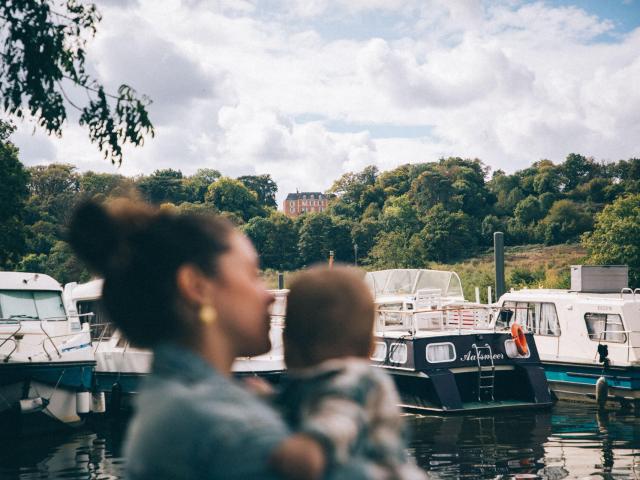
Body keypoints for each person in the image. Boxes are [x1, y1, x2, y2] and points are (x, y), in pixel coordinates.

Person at [68, 199, 327, 479]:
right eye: (252, 274)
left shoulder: (173, 402)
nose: (267, 296)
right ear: (196, 286)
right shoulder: (226, 425)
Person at [272, 266, 426, 480]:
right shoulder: (307, 384)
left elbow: (338, 420)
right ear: (371, 348)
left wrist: (310, 448)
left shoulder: (356, 380)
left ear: (286, 345)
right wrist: (270, 398)